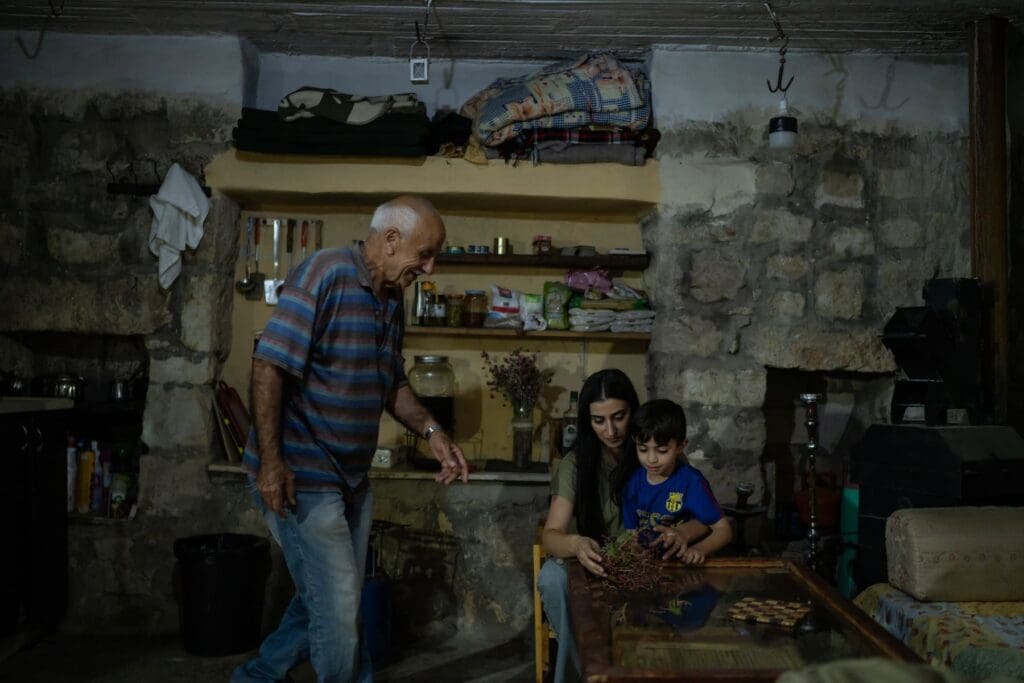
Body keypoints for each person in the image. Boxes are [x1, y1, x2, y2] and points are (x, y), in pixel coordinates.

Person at [232, 196, 469, 683]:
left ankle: (254, 679)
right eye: (424, 254)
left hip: (351, 478)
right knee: (339, 605)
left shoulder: (390, 298)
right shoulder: (326, 273)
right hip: (302, 473)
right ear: (389, 241)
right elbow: (268, 363)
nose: (429, 266)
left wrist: (433, 432)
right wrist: (272, 464)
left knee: (326, 597)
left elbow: (393, 384)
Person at [536, 369, 708, 682]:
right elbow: (551, 535)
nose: (611, 430)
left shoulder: (657, 452)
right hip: (596, 565)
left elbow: (706, 519)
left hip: (650, 563)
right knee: (551, 577)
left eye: (619, 416)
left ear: (634, 410)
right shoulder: (576, 464)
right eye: (599, 420)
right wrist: (577, 544)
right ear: (587, 421)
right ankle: (586, 675)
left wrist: (681, 533)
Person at [621, 398, 732, 564]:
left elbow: (724, 530)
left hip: (685, 565)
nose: (651, 459)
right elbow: (632, 533)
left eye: (662, 450)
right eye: (643, 449)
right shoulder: (633, 483)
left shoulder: (691, 482)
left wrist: (700, 549)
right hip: (652, 566)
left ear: (681, 446)